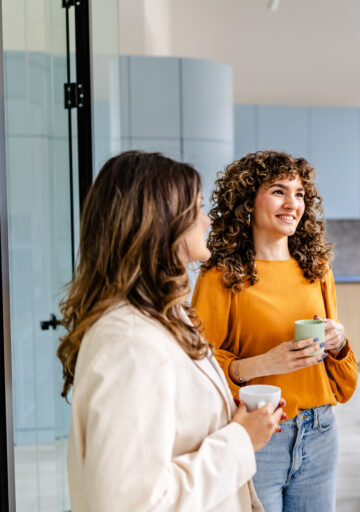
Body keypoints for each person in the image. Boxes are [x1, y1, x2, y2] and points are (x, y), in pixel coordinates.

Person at [57, 151, 284, 511]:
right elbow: (131, 503)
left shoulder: (165, 317)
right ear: (161, 223)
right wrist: (240, 439)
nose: (208, 220)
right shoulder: (129, 342)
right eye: (196, 208)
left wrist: (228, 416)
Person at [192, 150, 357, 512]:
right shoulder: (219, 275)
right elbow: (198, 369)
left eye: (299, 194)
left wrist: (339, 343)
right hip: (259, 431)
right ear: (248, 201)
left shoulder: (317, 269)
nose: (292, 203)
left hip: (320, 430)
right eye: (279, 191)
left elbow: (344, 385)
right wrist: (264, 363)